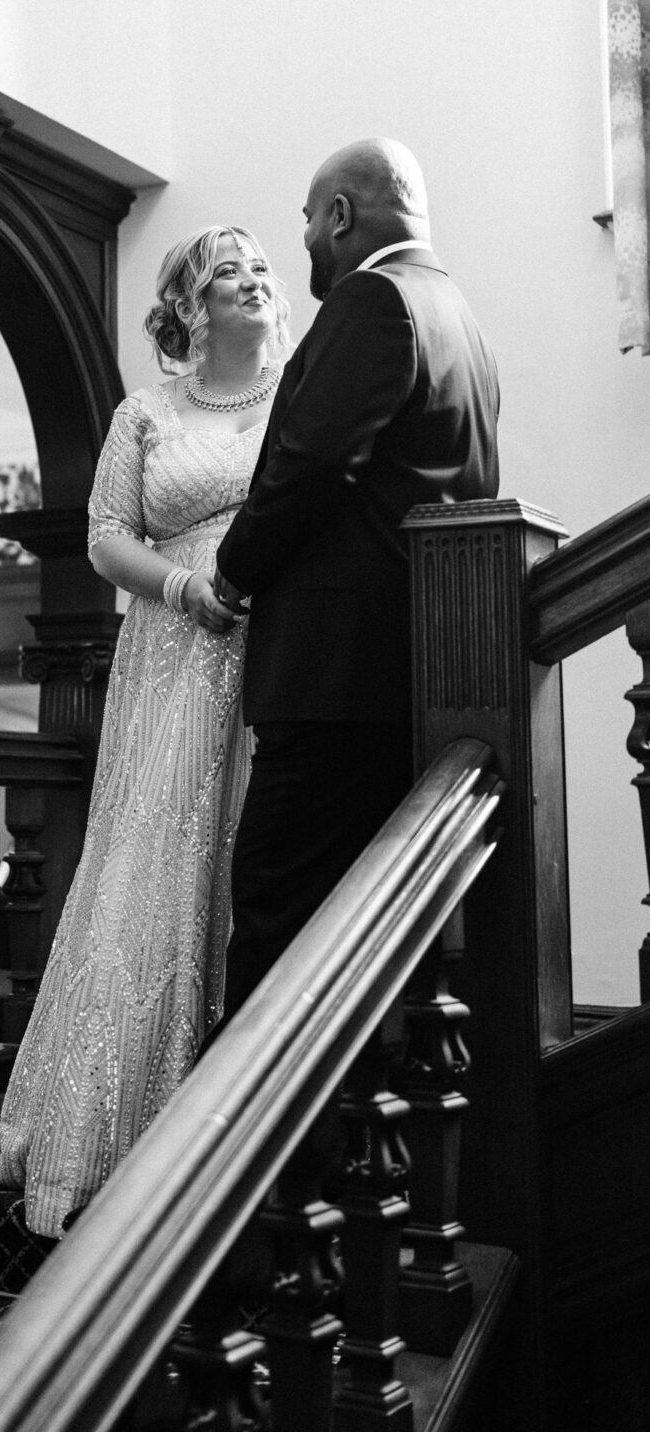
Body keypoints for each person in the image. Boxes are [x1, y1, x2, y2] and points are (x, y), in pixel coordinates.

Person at [0, 224, 292, 1237]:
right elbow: (103, 535)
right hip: (171, 645)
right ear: (188, 309)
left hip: (272, 641)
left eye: (258, 269)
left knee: (250, 841)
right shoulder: (146, 412)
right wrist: (179, 585)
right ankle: (97, 1131)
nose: (249, 282)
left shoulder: (295, 399)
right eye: (224, 275)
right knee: (151, 859)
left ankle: (227, 1115)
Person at [212, 138, 500, 1018]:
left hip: (333, 678)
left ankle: (256, 1150)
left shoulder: (372, 298)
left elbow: (310, 461)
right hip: (413, 670)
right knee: (367, 929)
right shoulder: (457, 316)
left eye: (306, 217)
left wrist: (232, 570)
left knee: (275, 913)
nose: (302, 237)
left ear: (339, 215)